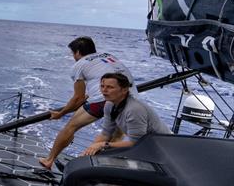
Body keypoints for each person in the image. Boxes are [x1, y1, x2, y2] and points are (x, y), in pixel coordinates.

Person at [39, 37, 135, 170]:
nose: (73, 57)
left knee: (71, 127)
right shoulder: (109, 56)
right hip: (131, 100)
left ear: (78, 52)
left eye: (73, 53)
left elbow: (78, 98)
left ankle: (48, 160)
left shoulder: (79, 64)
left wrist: (61, 113)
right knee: (114, 136)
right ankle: (92, 168)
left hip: (103, 100)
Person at [81, 72, 171, 155]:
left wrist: (104, 144)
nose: (104, 90)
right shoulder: (109, 104)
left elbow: (136, 143)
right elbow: (106, 133)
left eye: (110, 87)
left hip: (164, 148)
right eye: (102, 86)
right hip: (145, 146)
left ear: (124, 90)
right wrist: (88, 151)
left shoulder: (134, 110)